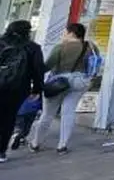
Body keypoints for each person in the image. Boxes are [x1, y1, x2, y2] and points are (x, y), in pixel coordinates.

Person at [30, 22, 93, 154]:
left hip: (58, 83)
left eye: (65, 32)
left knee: (47, 114)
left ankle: (36, 143)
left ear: (71, 33)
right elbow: (94, 65)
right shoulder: (90, 47)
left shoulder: (60, 47)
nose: (63, 35)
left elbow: (46, 66)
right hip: (79, 82)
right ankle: (62, 145)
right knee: (68, 112)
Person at [0, 20, 45, 163]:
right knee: (9, 118)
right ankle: (1, 151)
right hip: (18, 88)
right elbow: (38, 70)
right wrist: (37, 89)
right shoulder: (33, 47)